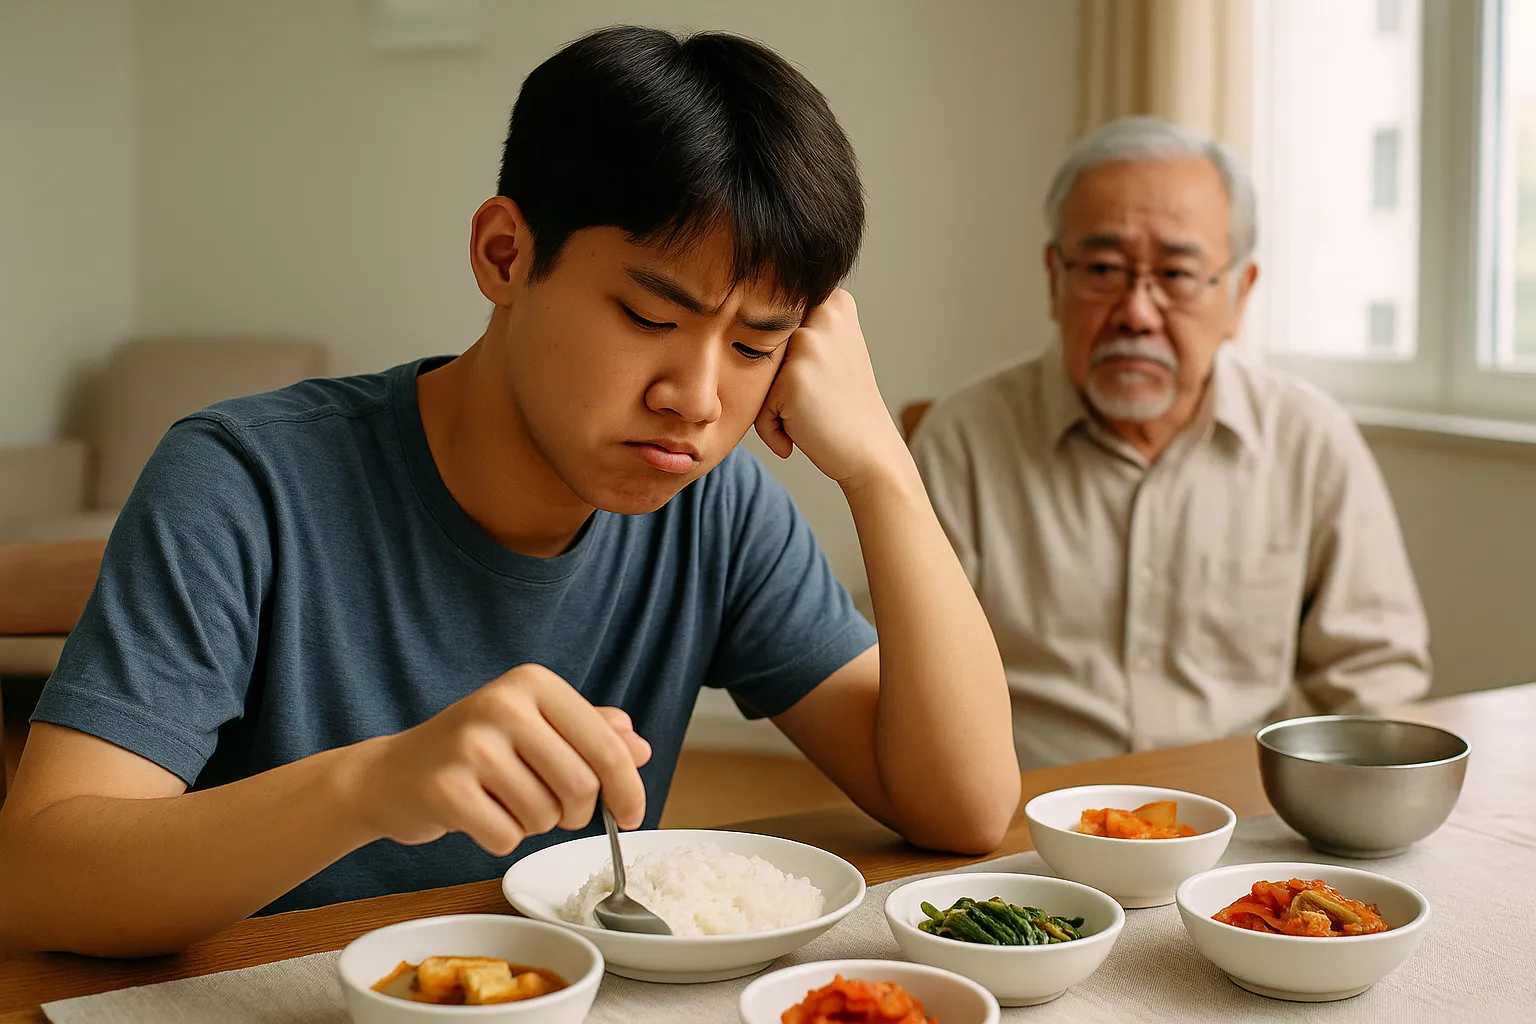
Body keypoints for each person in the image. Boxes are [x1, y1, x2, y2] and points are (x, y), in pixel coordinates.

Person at [0, 26, 1018, 956]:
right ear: (504, 253)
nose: (696, 399)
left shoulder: (713, 510)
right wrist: (373, 783)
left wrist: (881, 468)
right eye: (648, 317)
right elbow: (43, 879)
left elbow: (965, 806)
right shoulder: (242, 480)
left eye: (757, 342)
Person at [910, 116, 1430, 771]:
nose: (1137, 312)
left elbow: (1373, 673)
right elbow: (903, 673)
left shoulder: (1308, 440)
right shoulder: (962, 439)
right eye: (1103, 269)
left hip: (1241, 829)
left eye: (1177, 275)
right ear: (1055, 278)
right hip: (1022, 822)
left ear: (1239, 294)